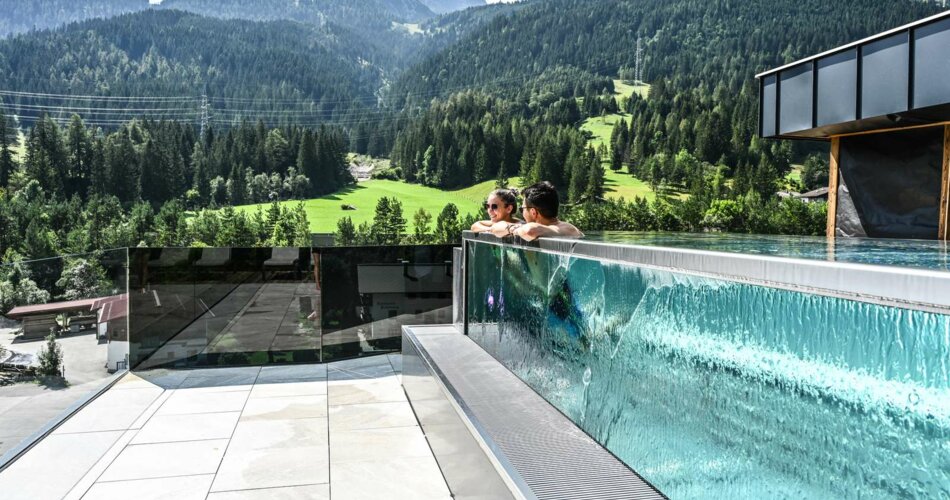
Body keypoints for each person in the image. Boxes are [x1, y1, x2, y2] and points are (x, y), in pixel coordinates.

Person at [490, 181, 583, 241]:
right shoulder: (546, 228)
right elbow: (495, 229)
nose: (522, 214)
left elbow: (530, 231)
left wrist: (513, 229)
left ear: (533, 212)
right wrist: (511, 229)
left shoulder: (568, 229)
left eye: (522, 209)